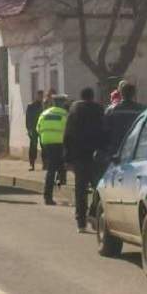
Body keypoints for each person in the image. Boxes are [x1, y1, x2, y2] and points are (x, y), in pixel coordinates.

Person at [89, 82, 146, 223]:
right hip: (136, 152)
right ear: (134, 94)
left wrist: (101, 150)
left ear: (120, 93)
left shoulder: (112, 110)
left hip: (114, 153)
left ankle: (95, 212)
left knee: (105, 184)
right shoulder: (142, 111)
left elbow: (103, 132)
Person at [64, 87, 104, 233]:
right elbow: (104, 131)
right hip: (96, 155)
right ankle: (94, 215)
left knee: (80, 189)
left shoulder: (74, 111)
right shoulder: (99, 110)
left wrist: (67, 158)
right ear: (92, 97)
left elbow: (67, 135)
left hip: (79, 156)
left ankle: (81, 222)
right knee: (98, 188)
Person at [36, 94, 68, 206]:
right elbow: (68, 130)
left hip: (46, 143)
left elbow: (38, 128)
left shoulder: (44, 113)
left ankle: (54, 191)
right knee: (53, 169)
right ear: (63, 103)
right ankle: (48, 196)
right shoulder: (64, 114)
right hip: (59, 143)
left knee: (53, 167)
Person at [26, 90, 45, 171]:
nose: (40, 97)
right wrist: (28, 129)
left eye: (41, 96)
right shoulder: (31, 106)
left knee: (44, 146)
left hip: (42, 128)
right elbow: (28, 118)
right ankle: (32, 164)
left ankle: (45, 164)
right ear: (36, 96)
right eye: (39, 96)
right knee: (33, 146)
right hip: (33, 128)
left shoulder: (44, 106)